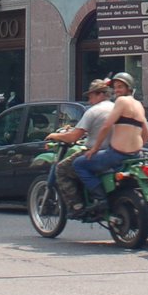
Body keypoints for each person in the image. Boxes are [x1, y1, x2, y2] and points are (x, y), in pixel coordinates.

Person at [72, 72, 148, 217]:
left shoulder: (121, 102)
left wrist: (94, 149)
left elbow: (106, 126)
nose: (117, 91)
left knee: (79, 164)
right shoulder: (139, 105)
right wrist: (136, 146)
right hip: (135, 155)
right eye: (115, 88)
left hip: (116, 155)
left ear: (129, 88)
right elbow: (147, 134)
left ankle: (100, 199)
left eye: (120, 87)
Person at [44, 80, 113, 216]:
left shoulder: (93, 111)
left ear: (99, 94)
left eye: (90, 96)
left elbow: (73, 137)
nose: (90, 100)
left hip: (95, 153)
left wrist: (55, 135)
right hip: (113, 152)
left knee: (62, 169)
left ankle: (77, 206)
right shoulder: (116, 108)